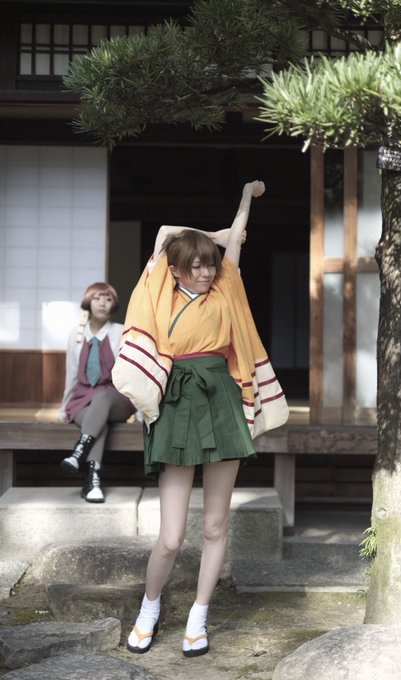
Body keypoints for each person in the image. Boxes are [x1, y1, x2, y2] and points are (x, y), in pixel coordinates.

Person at [112, 180, 289, 657]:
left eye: (210, 263)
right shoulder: (160, 289)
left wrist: (246, 199)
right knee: (171, 537)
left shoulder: (226, 284)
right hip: (177, 401)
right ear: (175, 269)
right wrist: (210, 236)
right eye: (196, 265)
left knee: (214, 526)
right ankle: (149, 608)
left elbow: (236, 237)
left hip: (221, 399)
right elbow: (166, 233)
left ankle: (198, 617)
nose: (207, 271)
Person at [59, 282, 135, 503]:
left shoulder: (120, 331)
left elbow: (131, 373)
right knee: (97, 422)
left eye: (108, 299)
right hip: (82, 399)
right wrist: (64, 407)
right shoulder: (75, 334)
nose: (102, 303)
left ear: (114, 305)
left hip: (115, 398)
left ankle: (78, 453)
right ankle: (93, 481)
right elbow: (72, 373)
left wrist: (141, 410)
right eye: (97, 298)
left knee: (102, 398)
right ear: (88, 302)